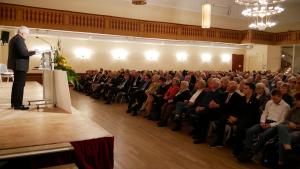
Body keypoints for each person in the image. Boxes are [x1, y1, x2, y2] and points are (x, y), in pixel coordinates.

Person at [7, 26, 36, 110]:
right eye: (27, 34)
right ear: (23, 33)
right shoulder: (19, 39)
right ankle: (18, 105)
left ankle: (14, 103)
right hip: (20, 66)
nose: (27, 36)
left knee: (16, 85)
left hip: (18, 65)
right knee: (19, 85)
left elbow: (21, 52)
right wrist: (35, 52)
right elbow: (23, 53)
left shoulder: (15, 38)